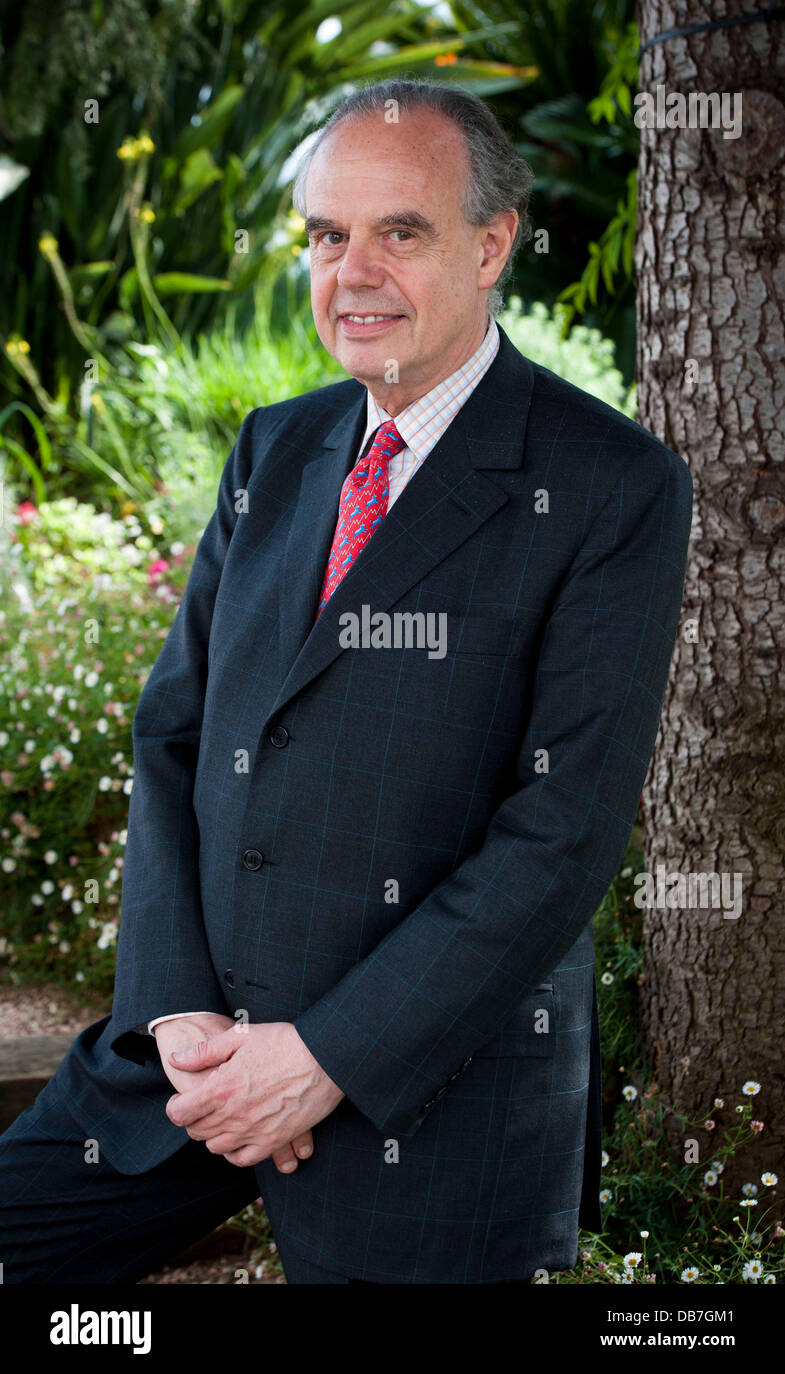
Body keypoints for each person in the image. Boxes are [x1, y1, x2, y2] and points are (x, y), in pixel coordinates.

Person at [0, 79, 693, 1285]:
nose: (351, 272)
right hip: (190, 1056)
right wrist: (172, 1013)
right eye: (328, 235)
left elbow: (562, 835)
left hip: (429, 1090)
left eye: (399, 232)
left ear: (490, 245)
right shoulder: (277, 444)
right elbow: (172, 734)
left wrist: (323, 1055)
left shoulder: (609, 487)